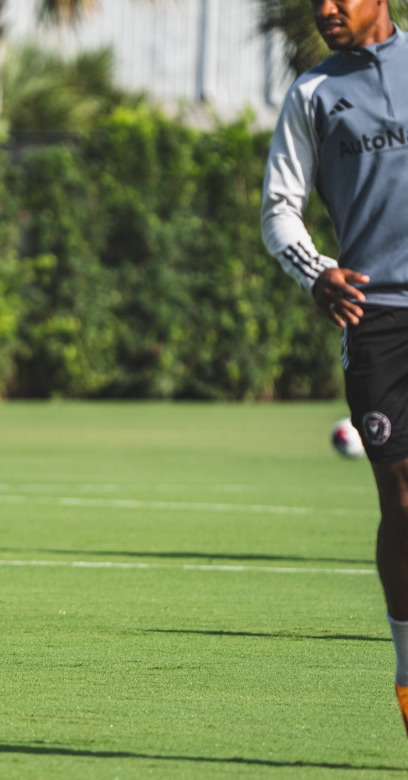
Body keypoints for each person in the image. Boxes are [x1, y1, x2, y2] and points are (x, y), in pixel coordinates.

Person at [261, 0, 408, 735]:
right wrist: (315, 270)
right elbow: (279, 207)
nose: (325, 8)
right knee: (404, 500)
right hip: (374, 317)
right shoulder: (313, 93)